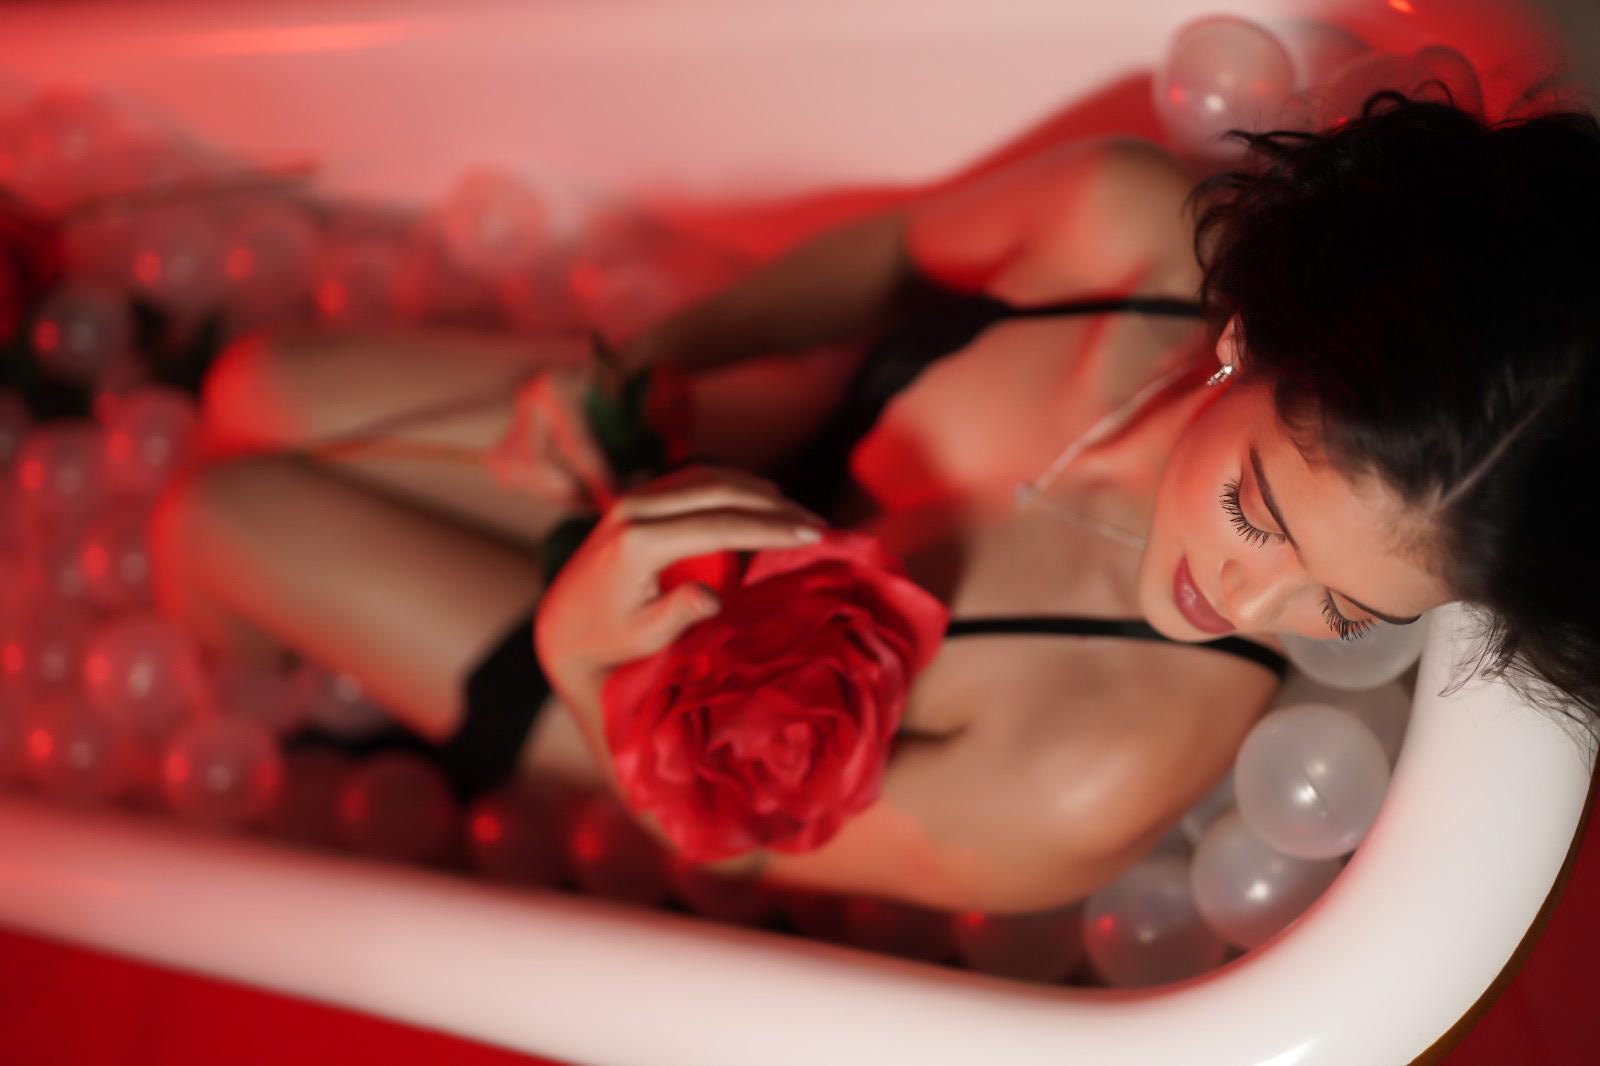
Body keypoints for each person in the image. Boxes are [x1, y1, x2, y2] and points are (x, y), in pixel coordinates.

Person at [150, 91, 1600, 914]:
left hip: (636, 714)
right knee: (253, 383)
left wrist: (582, 650)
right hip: (727, 456)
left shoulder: (1101, 762)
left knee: (209, 522)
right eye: (1262, 512)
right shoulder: (1119, 225)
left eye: (1347, 607)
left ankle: (250, 696)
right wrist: (645, 365)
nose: (1253, 602)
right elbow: (887, 255)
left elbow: (730, 838)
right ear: (1256, 333)